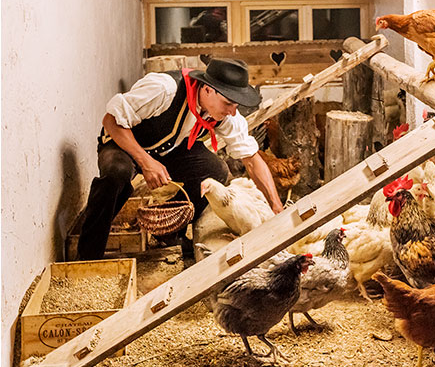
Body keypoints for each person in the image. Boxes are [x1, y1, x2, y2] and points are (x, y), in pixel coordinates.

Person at [76, 58, 284, 260]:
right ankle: (87, 256)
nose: (232, 112)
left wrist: (276, 207)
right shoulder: (164, 89)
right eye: (228, 103)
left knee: (215, 171)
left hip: (169, 150)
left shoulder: (225, 114)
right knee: (116, 173)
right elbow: (111, 121)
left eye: (236, 105)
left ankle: (168, 231)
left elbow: (251, 159)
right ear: (207, 89)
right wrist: (146, 162)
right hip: (125, 142)